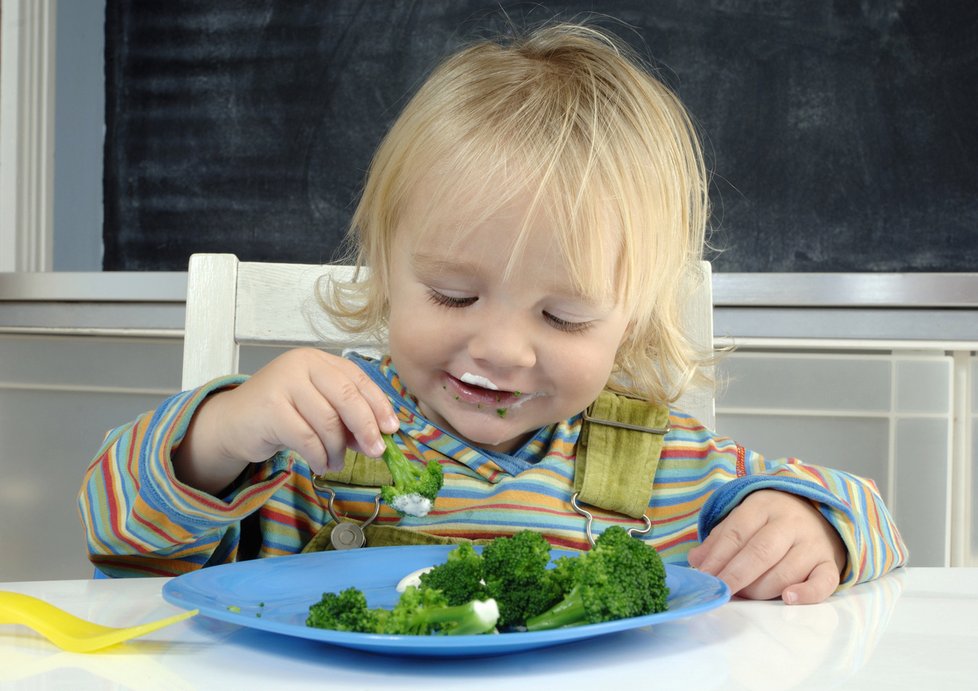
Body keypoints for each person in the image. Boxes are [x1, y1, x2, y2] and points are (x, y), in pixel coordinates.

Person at [78, 21, 906, 603]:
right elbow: (118, 541)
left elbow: (873, 515)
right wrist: (223, 433)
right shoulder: (307, 445)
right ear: (386, 270)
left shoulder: (668, 467)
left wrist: (815, 526)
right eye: (453, 294)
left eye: (568, 316)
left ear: (631, 322)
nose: (503, 348)